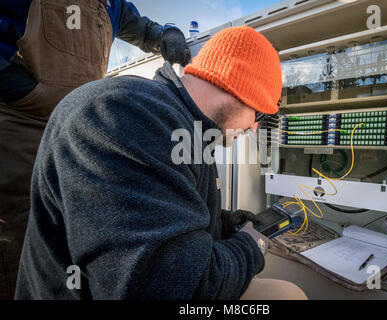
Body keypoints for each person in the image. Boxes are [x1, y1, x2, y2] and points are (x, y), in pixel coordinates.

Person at [15, 25, 307, 300]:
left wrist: (226, 225)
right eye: (259, 116)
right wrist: (253, 245)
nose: (255, 129)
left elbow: (166, 214)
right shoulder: (124, 113)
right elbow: (170, 287)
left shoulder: (182, 128)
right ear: (239, 90)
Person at [0, 0, 190, 299]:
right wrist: (22, 90)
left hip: (81, 129)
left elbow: (142, 28)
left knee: (77, 230)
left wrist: (165, 34)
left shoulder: (113, 4)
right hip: (24, 123)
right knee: (20, 238)